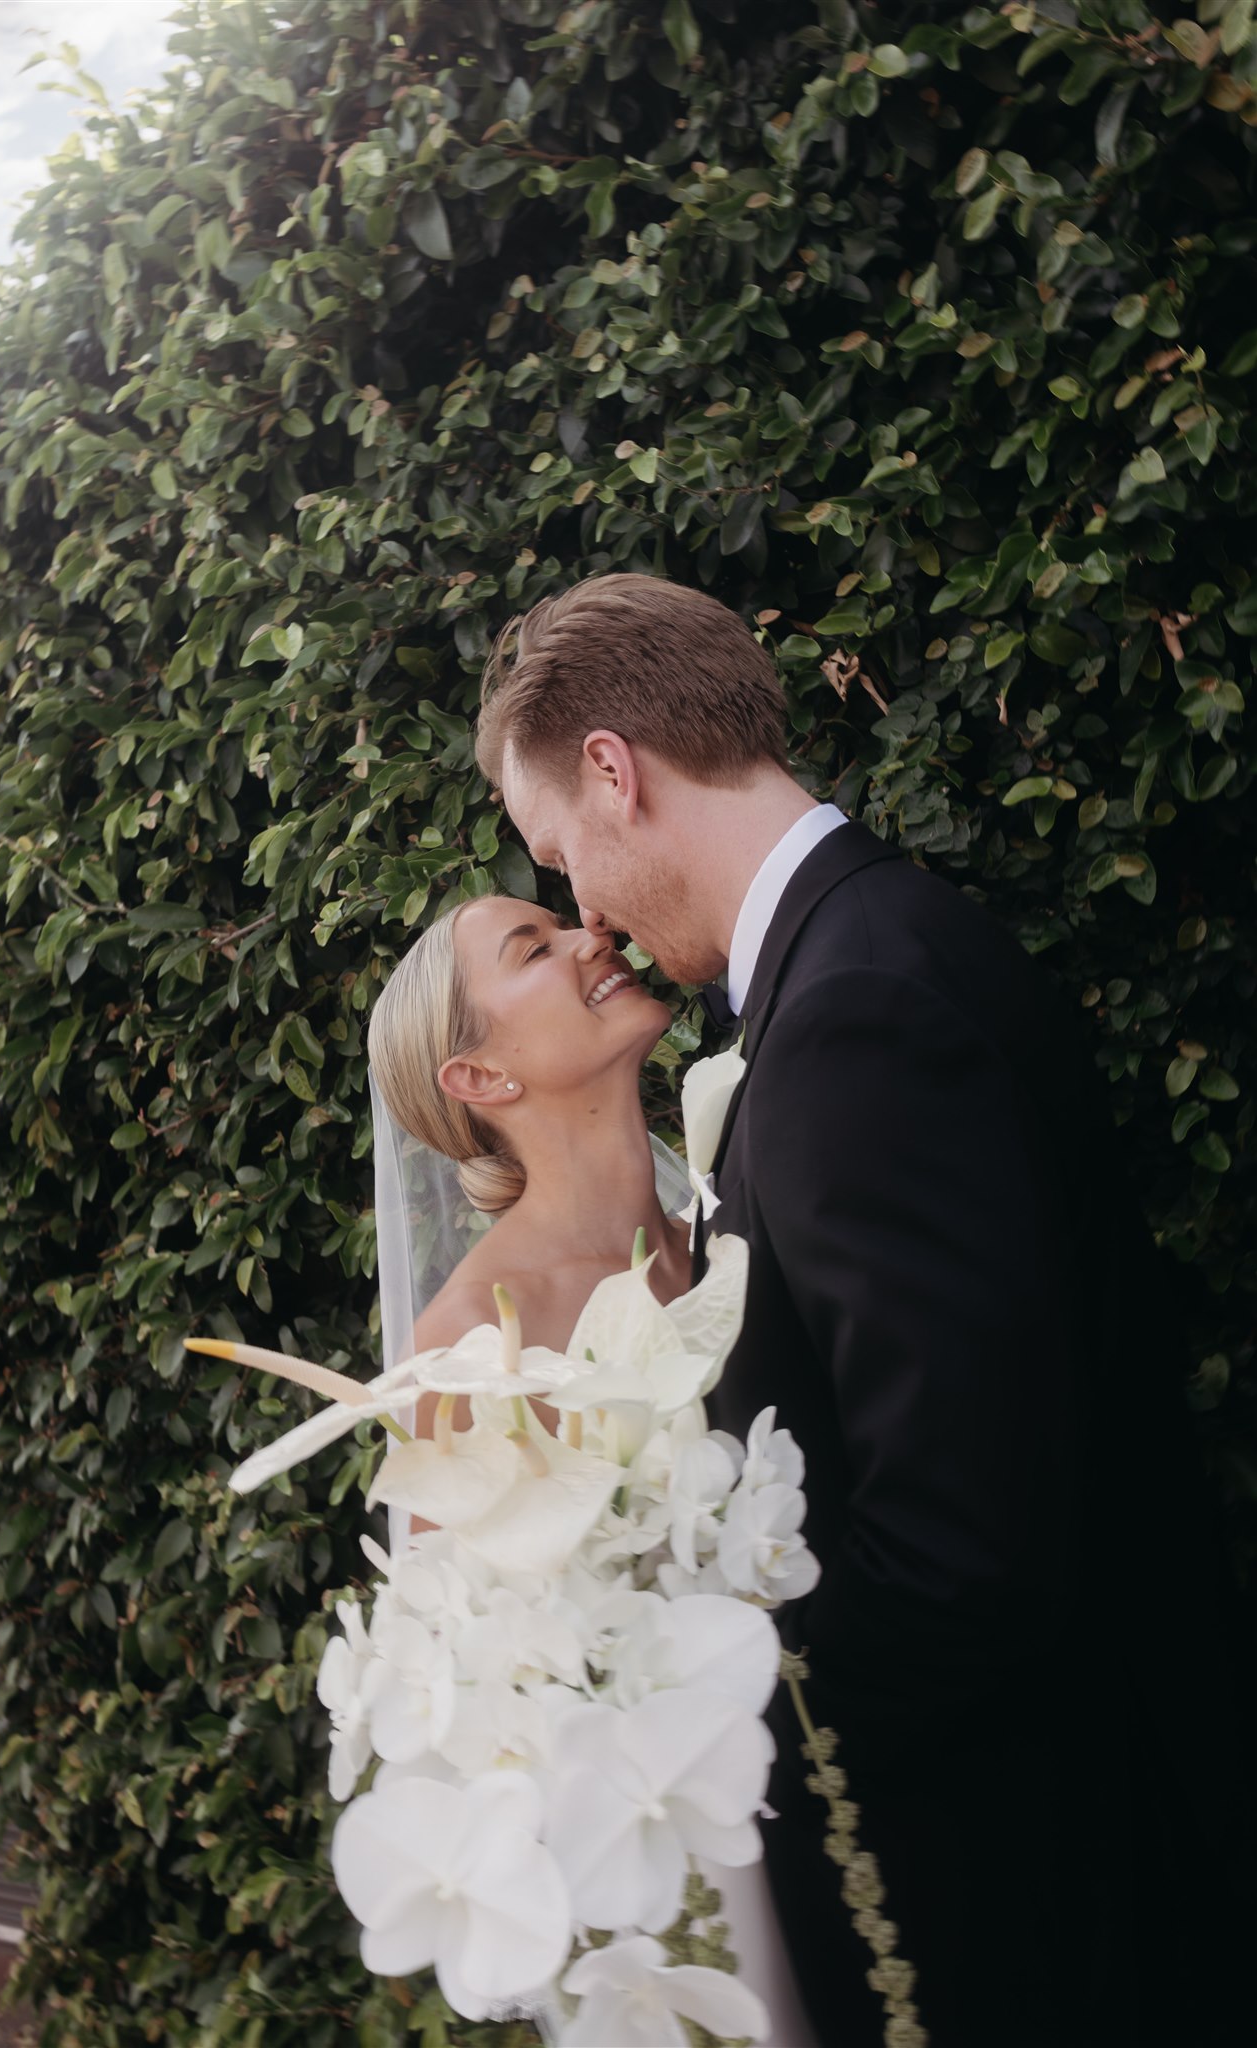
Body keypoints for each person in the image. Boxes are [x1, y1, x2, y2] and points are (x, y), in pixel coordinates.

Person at [474, 570, 1253, 2048]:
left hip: (1049, 1899)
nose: (581, 906)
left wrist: (664, 1718)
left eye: (559, 852)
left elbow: (968, 1559)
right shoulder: (852, 962)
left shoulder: (853, 1017)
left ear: (611, 773)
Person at [366, 891, 817, 2044]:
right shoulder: (477, 1338)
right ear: (480, 1078)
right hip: (689, 1871)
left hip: (851, 1784)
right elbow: (480, 1703)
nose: (592, 936)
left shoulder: (721, 1219)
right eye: (536, 945)